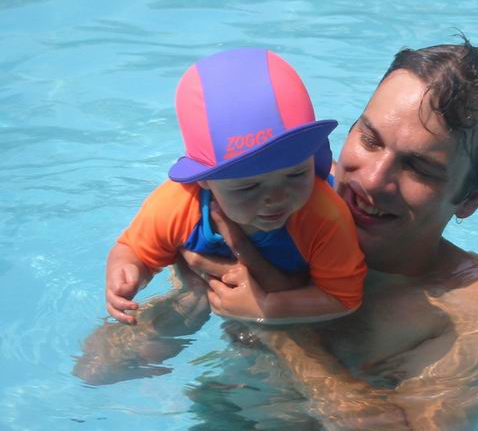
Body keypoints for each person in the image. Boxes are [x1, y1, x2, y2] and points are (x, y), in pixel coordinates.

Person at [76, 37, 478, 429]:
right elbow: (98, 369)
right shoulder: (273, 208)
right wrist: (197, 295)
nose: (370, 180)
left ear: (470, 198)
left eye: (418, 167)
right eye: (370, 139)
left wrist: (275, 321)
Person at [105, 47, 367, 326]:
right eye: (249, 187)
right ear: (203, 180)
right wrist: (128, 271)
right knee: (177, 314)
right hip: (221, 269)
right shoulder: (175, 206)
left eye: (296, 174)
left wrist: (266, 307)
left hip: (291, 285)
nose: (277, 197)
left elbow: (342, 299)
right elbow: (134, 250)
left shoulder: (325, 215)